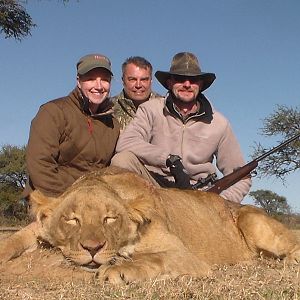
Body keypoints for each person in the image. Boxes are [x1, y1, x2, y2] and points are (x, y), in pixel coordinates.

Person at [111, 52, 251, 203]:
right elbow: (126, 143)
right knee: (122, 160)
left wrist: (219, 202)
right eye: (180, 78)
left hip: (199, 195)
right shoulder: (150, 109)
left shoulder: (220, 123)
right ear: (170, 83)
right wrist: (168, 159)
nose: (187, 84)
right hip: (155, 186)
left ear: (201, 84)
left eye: (193, 79)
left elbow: (241, 177)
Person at [23, 53, 120, 198]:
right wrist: (69, 199)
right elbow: (40, 165)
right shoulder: (53, 112)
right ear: (78, 81)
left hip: (94, 199)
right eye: (91, 79)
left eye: (105, 80)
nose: (99, 86)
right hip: (52, 197)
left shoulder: (113, 124)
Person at [111, 56, 162, 129]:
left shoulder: (165, 108)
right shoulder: (108, 108)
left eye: (144, 80)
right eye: (132, 79)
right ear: (123, 80)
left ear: (151, 80)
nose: (138, 85)